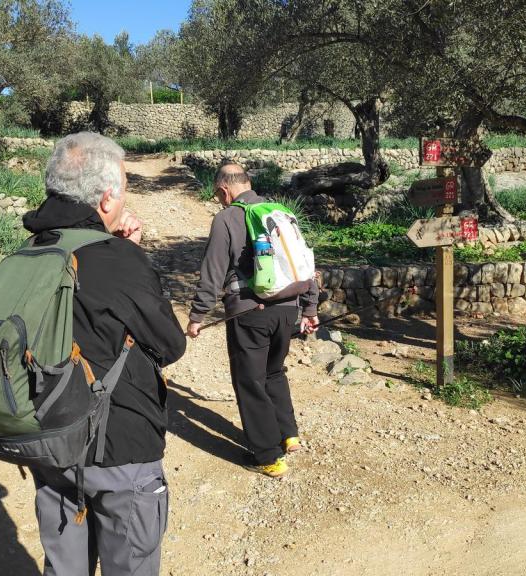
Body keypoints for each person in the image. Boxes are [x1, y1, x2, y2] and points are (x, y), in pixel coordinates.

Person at [21, 132, 186, 576]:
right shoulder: (119, 259)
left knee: (64, 567)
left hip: (50, 443)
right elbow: (170, 344)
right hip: (120, 449)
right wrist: (131, 255)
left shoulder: (29, 252)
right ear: (108, 197)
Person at [186, 163, 319, 478]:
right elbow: (306, 261)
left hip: (249, 313)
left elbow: (213, 271)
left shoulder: (227, 218)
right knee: (274, 371)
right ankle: (289, 434)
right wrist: (310, 309)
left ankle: (268, 455)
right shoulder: (281, 212)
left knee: (249, 381)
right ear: (249, 183)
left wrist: (197, 315)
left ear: (223, 190)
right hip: (289, 310)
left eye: (219, 196)